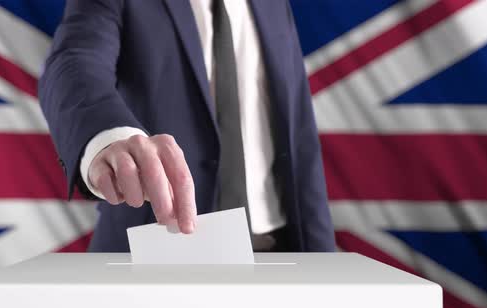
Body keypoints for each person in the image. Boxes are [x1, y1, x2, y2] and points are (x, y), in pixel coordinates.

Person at [39, 0, 335, 252]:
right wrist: (109, 136)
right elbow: (75, 59)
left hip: (279, 248)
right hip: (160, 252)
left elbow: (298, 130)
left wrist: (323, 255)